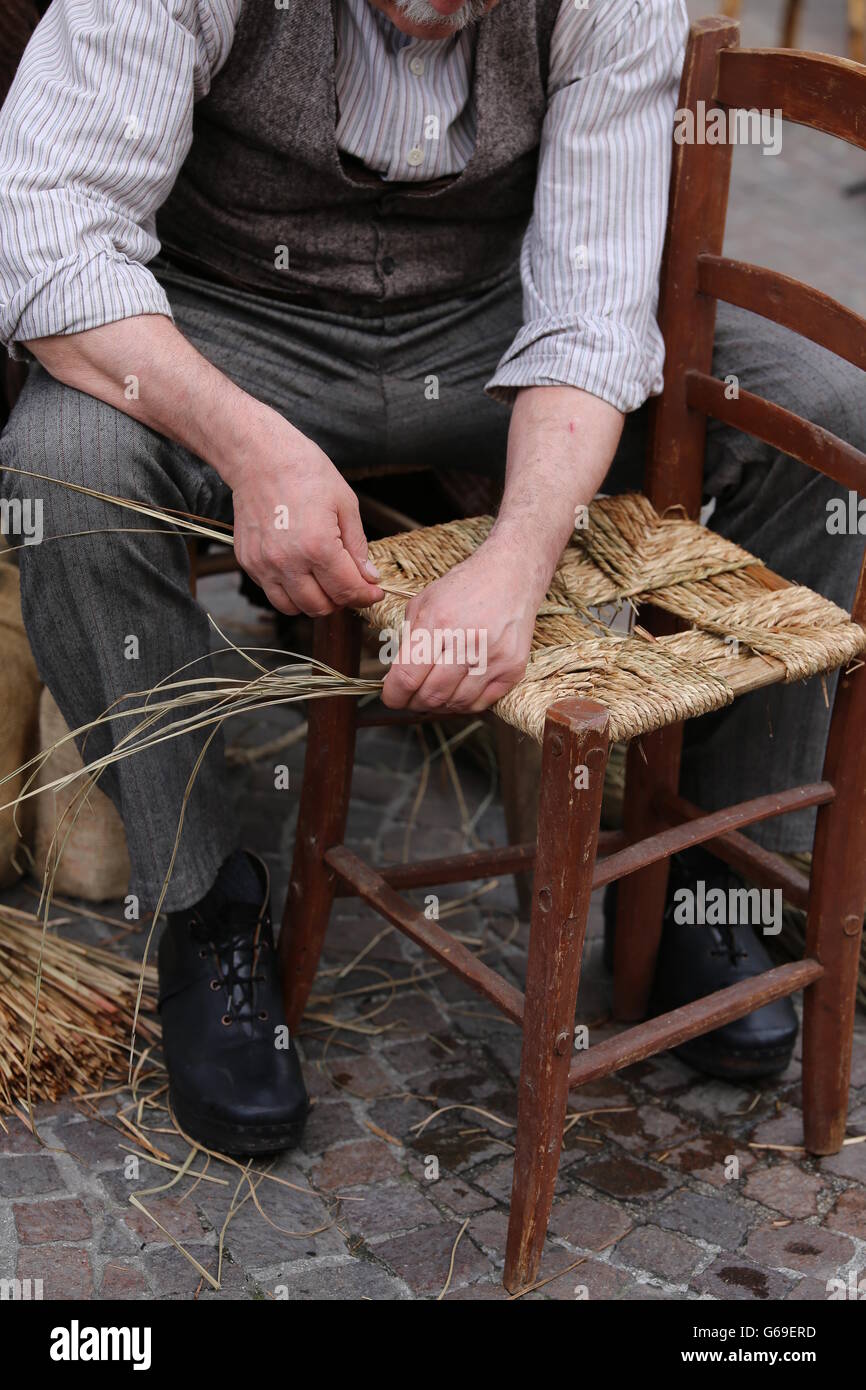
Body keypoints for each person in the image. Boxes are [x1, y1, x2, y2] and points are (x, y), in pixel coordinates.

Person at [1, 0, 863, 1152]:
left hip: (487, 331)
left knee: (825, 417)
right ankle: (209, 908)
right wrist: (251, 444)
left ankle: (701, 874)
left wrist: (515, 561)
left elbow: (593, 304)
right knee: (61, 467)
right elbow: (43, 225)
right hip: (224, 318)